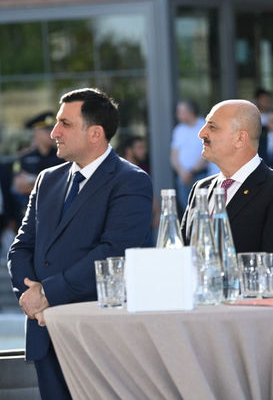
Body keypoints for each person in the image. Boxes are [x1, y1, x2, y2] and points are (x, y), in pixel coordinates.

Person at [7, 88, 153, 400]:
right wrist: (31, 299)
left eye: (65, 124)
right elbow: (22, 247)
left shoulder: (131, 181)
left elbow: (114, 253)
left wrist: (47, 294)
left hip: (97, 335)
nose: (54, 132)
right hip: (45, 331)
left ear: (95, 133)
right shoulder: (47, 179)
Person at [180, 99, 273, 293]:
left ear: (240, 139)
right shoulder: (201, 189)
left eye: (212, 127)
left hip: (246, 311)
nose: (201, 133)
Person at [12, 111, 65, 216]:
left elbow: (62, 186)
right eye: (47, 130)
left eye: (52, 128)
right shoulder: (24, 158)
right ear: (36, 132)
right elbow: (19, 187)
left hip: (56, 212)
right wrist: (48, 183)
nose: (51, 133)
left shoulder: (62, 157)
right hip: (30, 213)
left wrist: (31, 180)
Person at [171, 100, 218, 209]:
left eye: (180, 112)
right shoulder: (178, 130)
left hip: (202, 175)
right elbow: (174, 155)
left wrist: (192, 171)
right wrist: (182, 172)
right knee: (187, 210)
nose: (177, 115)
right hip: (183, 177)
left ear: (190, 111)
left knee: (203, 209)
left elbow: (208, 151)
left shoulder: (205, 126)